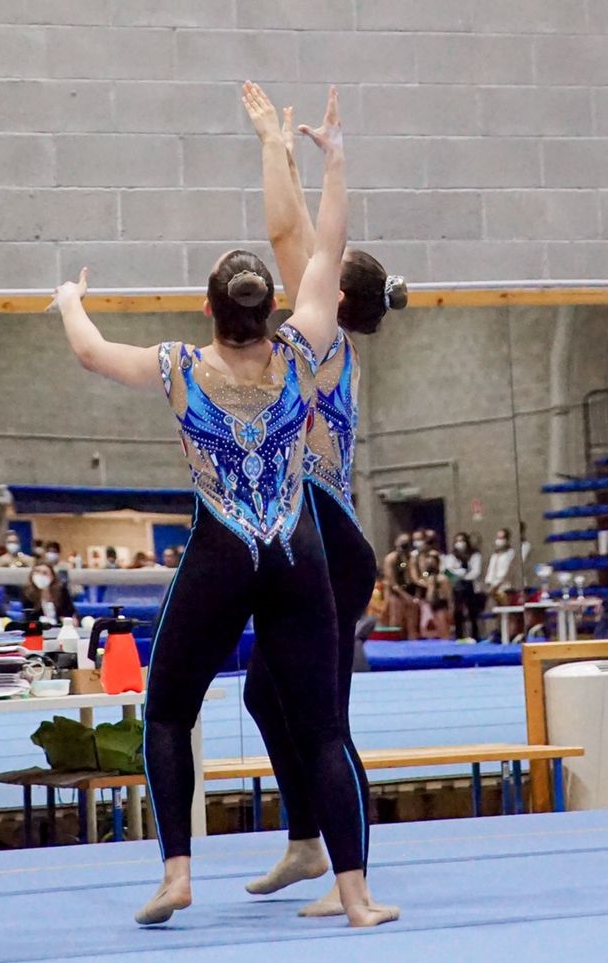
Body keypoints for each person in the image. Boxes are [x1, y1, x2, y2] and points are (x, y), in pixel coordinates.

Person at [52, 89, 396, 929]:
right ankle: (352, 891)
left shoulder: (177, 367)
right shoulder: (304, 350)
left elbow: (95, 353)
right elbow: (322, 250)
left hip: (229, 547)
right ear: (271, 307)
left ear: (208, 310)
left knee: (171, 707)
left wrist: (67, 297)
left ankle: (178, 872)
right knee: (314, 721)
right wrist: (326, 155)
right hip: (293, 545)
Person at [238, 79, 408, 913]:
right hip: (295, 537)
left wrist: (281, 148)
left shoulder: (324, 334)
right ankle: (308, 842)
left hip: (328, 544)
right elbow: (292, 233)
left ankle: (349, 866)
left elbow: (289, 233)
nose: (295, 269)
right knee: (263, 692)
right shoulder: (317, 326)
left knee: (320, 710)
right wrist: (283, 153)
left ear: (335, 289)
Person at [444, 533, 483, 640]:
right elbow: (448, 571)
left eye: (462, 541)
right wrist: (458, 575)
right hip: (457, 586)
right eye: (457, 541)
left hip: (471, 586)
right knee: (458, 611)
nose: (460, 544)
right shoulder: (451, 556)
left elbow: (476, 571)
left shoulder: (475, 555)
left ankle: (475, 635)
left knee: (472, 612)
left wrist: (464, 576)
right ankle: (459, 635)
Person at [382, 534, 421, 640]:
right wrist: (405, 596)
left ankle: (414, 647)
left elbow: (414, 578)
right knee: (396, 622)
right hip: (396, 593)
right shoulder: (391, 558)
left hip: (409, 590)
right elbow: (392, 582)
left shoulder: (411, 558)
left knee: (412, 624)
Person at [22, 558, 77, 629]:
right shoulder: (27, 593)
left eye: (44, 573)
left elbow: (70, 613)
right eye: (37, 571)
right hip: (39, 630)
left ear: (52, 577)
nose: (40, 575)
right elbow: (29, 618)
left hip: (61, 629)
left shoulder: (62, 591)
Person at [418, 552, 454, 639]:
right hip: (432, 605)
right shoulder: (428, 578)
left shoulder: (442, 578)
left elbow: (449, 595)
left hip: (441, 605)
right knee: (438, 629)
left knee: (444, 629)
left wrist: (451, 609)